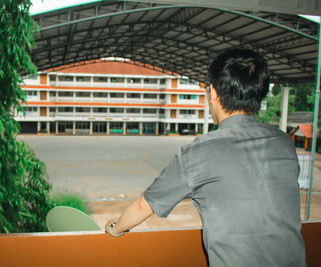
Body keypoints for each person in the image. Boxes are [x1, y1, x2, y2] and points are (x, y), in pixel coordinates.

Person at [105, 48, 307, 266]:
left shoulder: (199, 152)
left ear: (213, 93)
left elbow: (144, 206)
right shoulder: (284, 144)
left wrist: (115, 229)